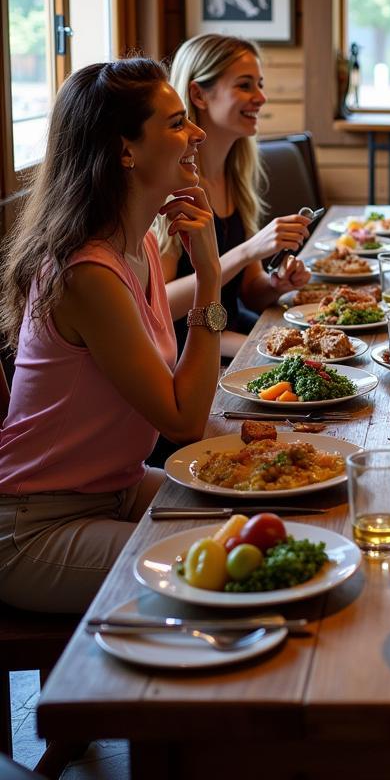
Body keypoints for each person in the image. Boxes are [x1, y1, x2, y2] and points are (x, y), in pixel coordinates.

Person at [0, 59, 223, 613]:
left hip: (116, 490)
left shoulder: (139, 244)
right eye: (175, 123)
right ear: (125, 150)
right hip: (36, 526)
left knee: (255, 520)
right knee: (214, 571)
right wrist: (210, 279)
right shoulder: (87, 273)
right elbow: (182, 420)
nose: (196, 132)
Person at [158, 34, 312, 360]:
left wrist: (275, 283)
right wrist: (246, 251)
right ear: (199, 94)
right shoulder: (170, 182)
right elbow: (159, 304)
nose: (261, 97)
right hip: (187, 346)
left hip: (231, 329)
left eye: (260, 84)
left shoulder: (236, 174)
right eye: (245, 86)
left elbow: (249, 293)